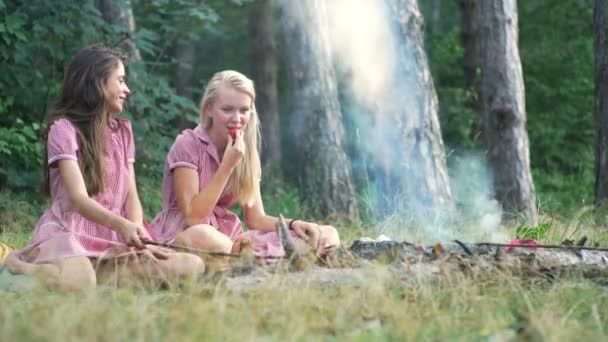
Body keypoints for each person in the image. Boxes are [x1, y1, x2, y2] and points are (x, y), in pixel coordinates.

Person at [5, 44, 204, 290]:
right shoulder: (63, 129)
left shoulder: (123, 133)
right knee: (80, 282)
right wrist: (121, 225)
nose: (127, 89)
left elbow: (131, 196)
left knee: (191, 265)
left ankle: (101, 275)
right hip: (69, 232)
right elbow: (77, 198)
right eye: (120, 81)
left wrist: (139, 235)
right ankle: (19, 266)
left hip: (111, 238)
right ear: (97, 83)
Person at [150, 70, 340, 258]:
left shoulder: (246, 151)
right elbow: (193, 217)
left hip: (229, 236)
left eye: (244, 110)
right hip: (187, 232)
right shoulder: (188, 144)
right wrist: (227, 166)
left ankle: (263, 256)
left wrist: (293, 224)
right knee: (207, 237)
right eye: (227, 109)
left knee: (328, 232)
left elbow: (256, 219)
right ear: (209, 109)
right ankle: (270, 257)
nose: (237, 118)